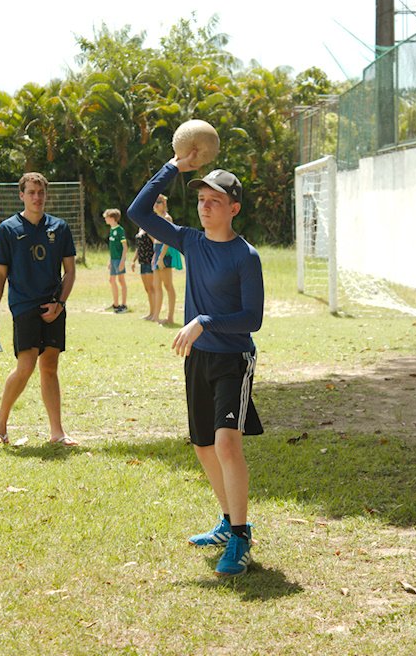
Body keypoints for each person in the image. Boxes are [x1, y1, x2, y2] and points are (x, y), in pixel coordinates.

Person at [128, 155, 264, 577]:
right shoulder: (190, 240)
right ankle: (227, 521)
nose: (205, 206)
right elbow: (138, 212)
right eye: (202, 199)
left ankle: (240, 535)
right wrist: (173, 165)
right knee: (203, 444)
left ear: (234, 208)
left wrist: (205, 321)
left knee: (226, 443)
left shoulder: (245, 256)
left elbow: (252, 318)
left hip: (232, 360)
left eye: (214, 200)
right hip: (197, 357)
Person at [0, 172, 77, 446]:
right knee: (25, 366)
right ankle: (0, 421)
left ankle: (57, 433)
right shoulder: (8, 229)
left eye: (41, 192)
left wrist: (60, 303)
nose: (37, 197)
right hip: (24, 305)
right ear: (21, 195)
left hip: (53, 305)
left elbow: (70, 272)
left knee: (49, 366)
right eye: (31, 192)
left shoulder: (60, 227)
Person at [150, 194, 179, 325]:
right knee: (156, 286)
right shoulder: (156, 218)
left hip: (164, 252)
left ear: (164, 204)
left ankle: (170, 317)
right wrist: (155, 256)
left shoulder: (167, 218)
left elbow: (168, 239)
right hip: (157, 251)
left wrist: (161, 257)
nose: (156, 204)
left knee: (168, 285)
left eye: (159, 202)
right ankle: (156, 316)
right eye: (154, 202)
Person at [103, 208, 128, 314]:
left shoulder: (119, 230)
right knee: (112, 280)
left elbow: (125, 247)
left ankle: (124, 305)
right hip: (113, 259)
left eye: (106, 217)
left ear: (112, 218)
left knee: (121, 281)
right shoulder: (112, 229)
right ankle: (115, 304)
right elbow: (112, 247)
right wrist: (110, 260)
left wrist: (122, 261)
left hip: (119, 260)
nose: (105, 219)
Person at [131, 227, 155, 320]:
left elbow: (155, 243)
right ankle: (151, 313)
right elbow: (138, 247)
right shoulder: (140, 228)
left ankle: (154, 313)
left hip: (149, 261)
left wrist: (155, 257)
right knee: (147, 289)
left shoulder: (149, 228)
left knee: (151, 288)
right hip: (142, 262)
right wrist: (133, 260)